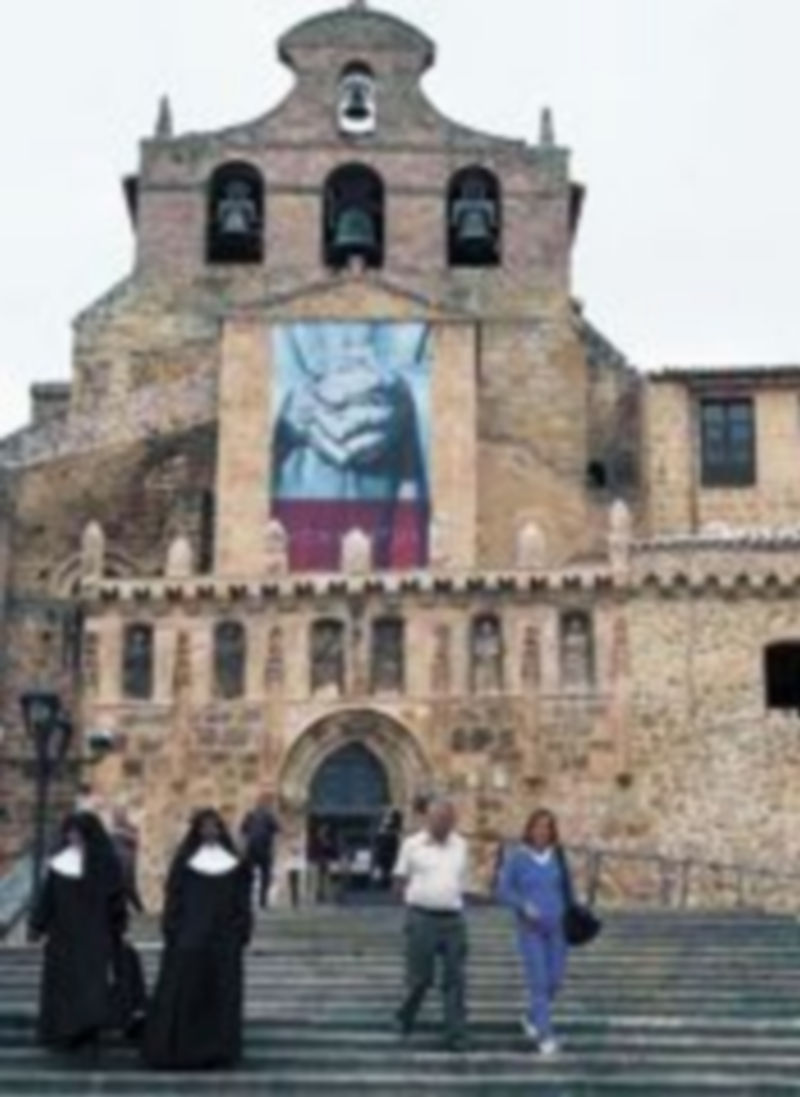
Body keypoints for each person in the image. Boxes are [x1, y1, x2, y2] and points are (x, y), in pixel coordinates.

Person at [143, 808, 252, 1070]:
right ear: (198, 830)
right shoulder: (185, 862)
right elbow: (174, 898)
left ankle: (218, 1051)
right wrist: (173, 929)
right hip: (189, 939)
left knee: (219, 996)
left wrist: (240, 931)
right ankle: (182, 1051)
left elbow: (241, 901)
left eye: (214, 826)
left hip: (223, 941)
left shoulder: (234, 864)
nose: (210, 831)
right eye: (205, 826)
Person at [29, 812, 127, 1055]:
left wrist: (117, 927)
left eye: (77, 832)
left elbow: (115, 899)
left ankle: (87, 1030)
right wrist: (37, 925)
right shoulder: (60, 864)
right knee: (62, 984)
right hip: (63, 934)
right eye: (70, 832)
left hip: (94, 934)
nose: (73, 837)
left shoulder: (105, 864)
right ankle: (62, 1031)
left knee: (90, 985)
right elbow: (48, 898)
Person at [393, 797, 469, 1051]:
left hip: (453, 919)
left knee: (455, 978)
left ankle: (455, 1033)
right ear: (428, 819)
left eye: (448, 819)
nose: (443, 823)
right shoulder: (412, 845)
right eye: (438, 818)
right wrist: (408, 907)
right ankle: (406, 1014)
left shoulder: (461, 845)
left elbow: (461, 878)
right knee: (420, 978)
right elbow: (400, 877)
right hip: (422, 917)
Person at [496, 808, 571, 1056]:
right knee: (539, 982)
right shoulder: (518, 858)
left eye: (548, 827)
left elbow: (567, 889)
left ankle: (531, 1017)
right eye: (538, 826)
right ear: (529, 829)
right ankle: (545, 1035)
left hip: (558, 929)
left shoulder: (558, 856)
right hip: (531, 930)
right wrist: (522, 905)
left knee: (554, 981)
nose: (542, 831)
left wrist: (571, 914)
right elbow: (503, 890)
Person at [240, 794, 281, 910]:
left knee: (249, 876)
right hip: (264, 849)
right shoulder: (269, 815)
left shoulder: (250, 814)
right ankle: (262, 901)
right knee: (265, 876)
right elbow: (278, 829)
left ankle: (247, 899)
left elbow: (243, 830)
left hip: (252, 849)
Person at [110, 807, 145, 914]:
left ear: (125, 816)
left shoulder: (131, 828)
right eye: (115, 815)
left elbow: (136, 840)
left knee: (129, 886)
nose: (117, 818)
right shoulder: (112, 829)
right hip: (115, 863)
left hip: (128, 862)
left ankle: (140, 910)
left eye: (119, 815)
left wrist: (122, 833)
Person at [373, 808, 403, 890]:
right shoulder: (384, 828)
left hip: (390, 852)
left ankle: (387, 880)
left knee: (388, 867)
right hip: (386, 852)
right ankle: (385, 880)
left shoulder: (392, 828)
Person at [286, 842, 307, 909]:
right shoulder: (294, 858)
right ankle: (294, 901)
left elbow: (289, 867)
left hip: (293, 872)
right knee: (294, 887)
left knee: (294, 887)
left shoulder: (293, 858)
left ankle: (294, 901)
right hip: (293, 872)